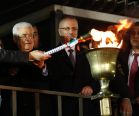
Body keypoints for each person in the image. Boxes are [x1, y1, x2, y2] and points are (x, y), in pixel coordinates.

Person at [0, 22, 52, 116]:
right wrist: (11, 73)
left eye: (31, 35)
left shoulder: (42, 55)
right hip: (14, 109)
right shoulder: (7, 57)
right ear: (15, 39)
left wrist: (43, 67)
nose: (29, 39)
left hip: (38, 110)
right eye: (24, 35)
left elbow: (52, 81)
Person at [118, 22, 139, 116]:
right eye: (133, 33)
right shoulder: (119, 56)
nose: (135, 36)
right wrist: (125, 97)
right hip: (122, 105)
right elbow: (115, 78)